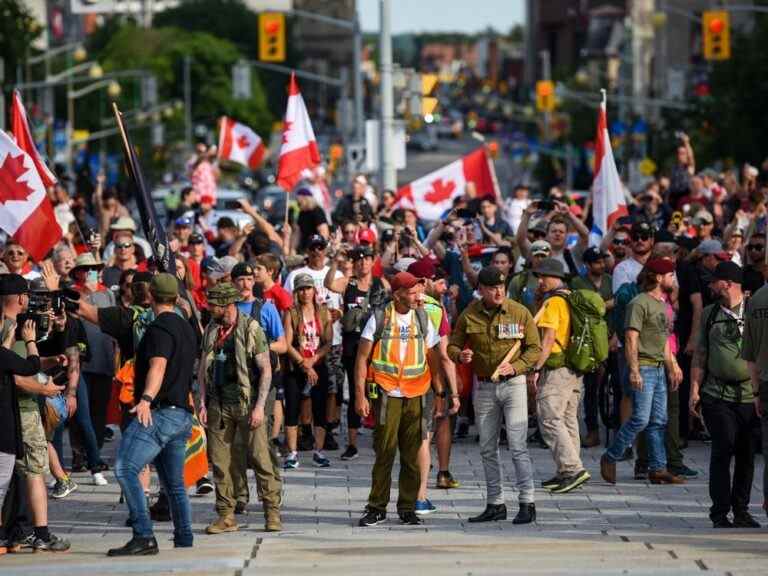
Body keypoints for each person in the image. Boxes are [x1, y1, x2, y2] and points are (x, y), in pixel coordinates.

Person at [108, 273, 197, 556]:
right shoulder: (186, 328)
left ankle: (144, 535)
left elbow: (158, 366)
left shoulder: (159, 329)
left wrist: (145, 399)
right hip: (182, 414)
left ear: (150, 296)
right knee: (173, 483)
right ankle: (184, 537)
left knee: (125, 467)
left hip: (161, 413)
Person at [448, 266, 541, 524]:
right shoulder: (470, 315)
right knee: (487, 447)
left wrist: (516, 366)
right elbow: (453, 344)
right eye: (492, 288)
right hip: (485, 387)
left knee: (517, 444)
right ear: (481, 290)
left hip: (514, 384)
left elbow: (534, 348)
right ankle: (495, 503)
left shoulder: (519, 312)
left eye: (501, 286)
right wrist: (460, 355)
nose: (498, 291)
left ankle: (527, 502)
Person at [356, 272, 444, 527]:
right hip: (387, 393)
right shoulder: (380, 318)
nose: (419, 296)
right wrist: (360, 396)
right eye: (414, 292)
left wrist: (439, 391)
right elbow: (362, 359)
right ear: (398, 295)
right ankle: (376, 508)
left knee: (412, 455)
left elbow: (433, 355)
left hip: (417, 394)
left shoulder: (423, 317)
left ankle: (407, 507)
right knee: (384, 452)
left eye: (420, 290)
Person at [198, 283, 282, 534]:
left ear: (226, 305)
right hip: (219, 405)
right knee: (221, 462)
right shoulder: (212, 329)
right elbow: (203, 368)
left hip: (248, 404)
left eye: (213, 304)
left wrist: (259, 408)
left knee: (260, 458)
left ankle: (272, 513)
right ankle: (226, 515)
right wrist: (202, 401)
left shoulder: (250, 328)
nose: (209, 308)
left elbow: (266, 369)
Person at [0, 274, 70, 552]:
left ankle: (18, 532)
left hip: (18, 409)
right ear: (20, 298)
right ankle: (39, 533)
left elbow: (17, 363)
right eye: (27, 295)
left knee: (17, 475)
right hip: (19, 409)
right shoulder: (7, 327)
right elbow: (15, 372)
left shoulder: (13, 325)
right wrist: (42, 389)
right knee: (32, 470)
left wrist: (49, 359)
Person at [600, 259, 686, 485]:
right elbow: (630, 338)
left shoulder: (662, 304)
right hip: (644, 367)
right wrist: (634, 369)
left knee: (659, 420)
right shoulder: (639, 303)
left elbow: (664, 339)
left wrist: (673, 365)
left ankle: (658, 468)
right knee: (640, 419)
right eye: (670, 275)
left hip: (658, 369)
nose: (673, 279)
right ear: (658, 278)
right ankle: (610, 456)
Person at [690, 262, 760, 528]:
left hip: (749, 396)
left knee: (746, 453)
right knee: (723, 448)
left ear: (727, 283)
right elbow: (700, 354)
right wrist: (694, 390)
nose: (710, 286)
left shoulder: (755, 312)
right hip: (716, 394)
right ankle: (719, 512)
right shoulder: (709, 314)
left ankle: (741, 510)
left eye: (714, 281)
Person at [530, 258, 590, 494]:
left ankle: (572, 468)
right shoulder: (571, 297)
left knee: (549, 418)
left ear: (556, 278)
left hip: (557, 368)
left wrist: (535, 368)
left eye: (544, 276)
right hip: (574, 367)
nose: (540, 280)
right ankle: (567, 472)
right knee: (567, 419)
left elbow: (547, 340)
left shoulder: (554, 302)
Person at [407, 257, 460, 512]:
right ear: (425, 281)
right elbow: (444, 355)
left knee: (411, 437)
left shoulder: (392, 303)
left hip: (397, 380)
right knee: (431, 431)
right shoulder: (436, 309)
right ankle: (429, 485)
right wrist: (451, 391)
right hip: (428, 381)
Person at [325, 244, 388, 461]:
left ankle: (381, 438)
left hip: (376, 345)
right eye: (358, 260)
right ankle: (352, 444)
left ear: (373, 261)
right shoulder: (348, 282)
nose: (362, 263)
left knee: (380, 392)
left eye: (366, 259)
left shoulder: (381, 283)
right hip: (353, 345)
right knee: (355, 393)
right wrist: (335, 262)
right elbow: (329, 284)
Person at [0, 288, 46, 554]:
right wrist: (29, 341)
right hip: (8, 421)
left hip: (11, 417)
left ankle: (12, 534)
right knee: (4, 480)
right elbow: (29, 368)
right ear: (19, 299)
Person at [282, 273, 333, 469]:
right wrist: (304, 363)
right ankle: (293, 453)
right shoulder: (291, 313)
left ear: (314, 290)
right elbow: (287, 343)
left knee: (319, 407)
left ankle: (318, 451)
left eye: (308, 288)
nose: (305, 293)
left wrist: (313, 360)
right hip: (297, 364)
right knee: (293, 407)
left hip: (318, 363)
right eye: (301, 289)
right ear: (296, 292)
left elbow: (328, 342)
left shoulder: (323, 312)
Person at [571, 247, 614, 448]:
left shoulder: (610, 280)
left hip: (612, 336)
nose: (601, 265)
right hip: (590, 340)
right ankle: (592, 430)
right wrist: (606, 304)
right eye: (596, 262)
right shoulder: (578, 283)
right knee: (591, 389)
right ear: (587, 265)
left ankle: (614, 426)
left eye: (602, 261)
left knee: (616, 387)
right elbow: (583, 307)